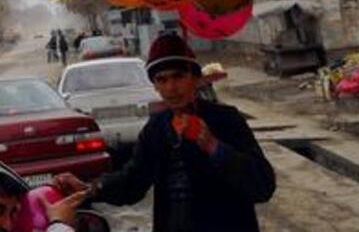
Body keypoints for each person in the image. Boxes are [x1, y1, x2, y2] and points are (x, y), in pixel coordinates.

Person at [52, 33, 275, 232]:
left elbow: (263, 186)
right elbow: (133, 182)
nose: (171, 87)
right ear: (155, 86)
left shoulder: (226, 120)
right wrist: (90, 188)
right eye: (162, 79)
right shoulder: (157, 128)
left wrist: (214, 147)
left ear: (195, 78)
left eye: (178, 76)